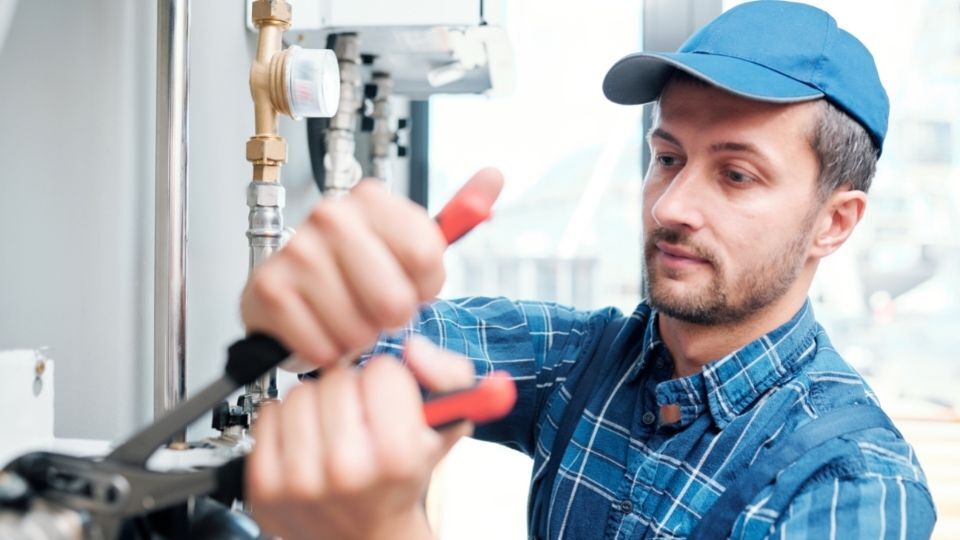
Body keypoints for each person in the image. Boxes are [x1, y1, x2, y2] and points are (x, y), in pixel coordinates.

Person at [239, 1, 937, 538]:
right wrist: (311, 300)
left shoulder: (854, 485)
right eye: (667, 158)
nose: (673, 204)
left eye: (735, 174)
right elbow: (368, 340)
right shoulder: (592, 360)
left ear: (835, 222)